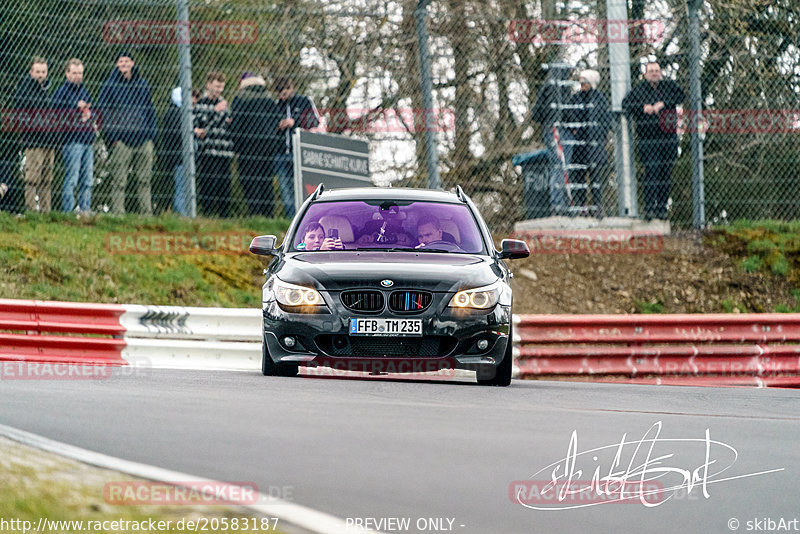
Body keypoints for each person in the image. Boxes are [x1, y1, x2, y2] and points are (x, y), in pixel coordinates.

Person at [622, 60, 685, 220]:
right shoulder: (639, 90)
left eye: (657, 70)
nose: (654, 73)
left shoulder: (669, 86)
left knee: (665, 173)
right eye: (651, 71)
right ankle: (649, 209)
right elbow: (626, 104)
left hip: (668, 136)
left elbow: (680, 96)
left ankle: (662, 209)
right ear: (646, 74)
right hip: (648, 138)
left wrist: (663, 104)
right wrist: (643, 107)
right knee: (651, 171)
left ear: (661, 73)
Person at [97, 51, 158, 215]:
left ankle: (146, 215)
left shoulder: (142, 84)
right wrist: (113, 138)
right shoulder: (109, 86)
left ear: (132, 63)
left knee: (145, 181)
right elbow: (103, 112)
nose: (124, 64)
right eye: (121, 61)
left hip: (143, 140)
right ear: (117, 64)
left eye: (127, 61)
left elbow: (150, 110)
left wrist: (151, 136)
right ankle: (118, 214)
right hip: (121, 142)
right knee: (119, 181)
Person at [231, 72, 280, 217]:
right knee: (266, 180)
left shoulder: (241, 97)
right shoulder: (268, 98)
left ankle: (255, 213)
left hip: (248, 145)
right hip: (268, 145)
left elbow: (237, 123)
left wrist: (237, 146)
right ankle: (268, 214)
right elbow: (276, 120)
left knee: (250, 179)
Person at [51, 58, 95, 215]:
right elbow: (56, 115)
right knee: (72, 178)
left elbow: (93, 110)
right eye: (75, 73)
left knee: (88, 179)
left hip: (87, 140)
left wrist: (90, 113)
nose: (78, 76)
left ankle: (85, 210)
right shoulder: (61, 92)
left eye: (80, 73)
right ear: (67, 73)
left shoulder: (84, 91)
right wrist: (75, 108)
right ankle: (68, 212)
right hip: (71, 141)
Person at [272, 76, 320, 218]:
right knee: (286, 192)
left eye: (284, 93)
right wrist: (277, 125)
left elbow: (315, 121)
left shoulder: (304, 101)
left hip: (299, 154)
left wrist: (295, 122)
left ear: (291, 88)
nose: (282, 96)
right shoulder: (276, 105)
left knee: (302, 189)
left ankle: (306, 219)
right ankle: (290, 221)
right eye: (279, 93)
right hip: (280, 153)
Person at [531, 62, 575, 216]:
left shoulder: (547, 86)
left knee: (557, 166)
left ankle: (559, 204)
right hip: (559, 130)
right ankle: (558, 205)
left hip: (549, 129)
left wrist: (546, 119)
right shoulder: (560, 87)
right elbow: (566, 111)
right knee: (560, 167)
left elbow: (536, 113)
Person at [13, 56, 55, 212]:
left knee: (47, 179)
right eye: (38, 71)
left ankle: (46, 212)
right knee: (32, 178)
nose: (41, 75)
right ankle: (31, 209)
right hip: (34, 139)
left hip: (48, 140)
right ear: (31, 72)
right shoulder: (24, 89)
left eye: (43, 71)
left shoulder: (46, 89)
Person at [567, 69, 611, 216]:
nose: (582, 84)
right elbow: (569, 115)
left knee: (595, 176)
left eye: (584, 81)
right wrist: (573, 128)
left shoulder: (600, 98)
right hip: (579, 143)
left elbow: (606, 119)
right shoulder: (576, 98)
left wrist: (602, 135)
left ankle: (597, 207)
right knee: (578, 175)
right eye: (580, 81)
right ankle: (582, 207)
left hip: (594, 143)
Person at [194, 71, 235, 218]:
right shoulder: (200, 104)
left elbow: (225, 125)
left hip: (224, 150)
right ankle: (207, 215)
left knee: (224, 185)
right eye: (217, 86)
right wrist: (215, 111)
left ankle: (225, 216)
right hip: (208, 151)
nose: (219, 90)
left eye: (221, 87)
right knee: (208, 183)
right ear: (208, 85)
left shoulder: (224, 103)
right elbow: (199, 126)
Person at [162, 87, 200, 216]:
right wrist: (193, 132)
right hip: (180, 158)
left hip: (184, 158)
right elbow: (177, 134)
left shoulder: (183, 114)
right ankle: (182, 214)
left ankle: (185, 214)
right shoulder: (175, 113)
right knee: (182, 189)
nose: (193, 105)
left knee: (186, 188)